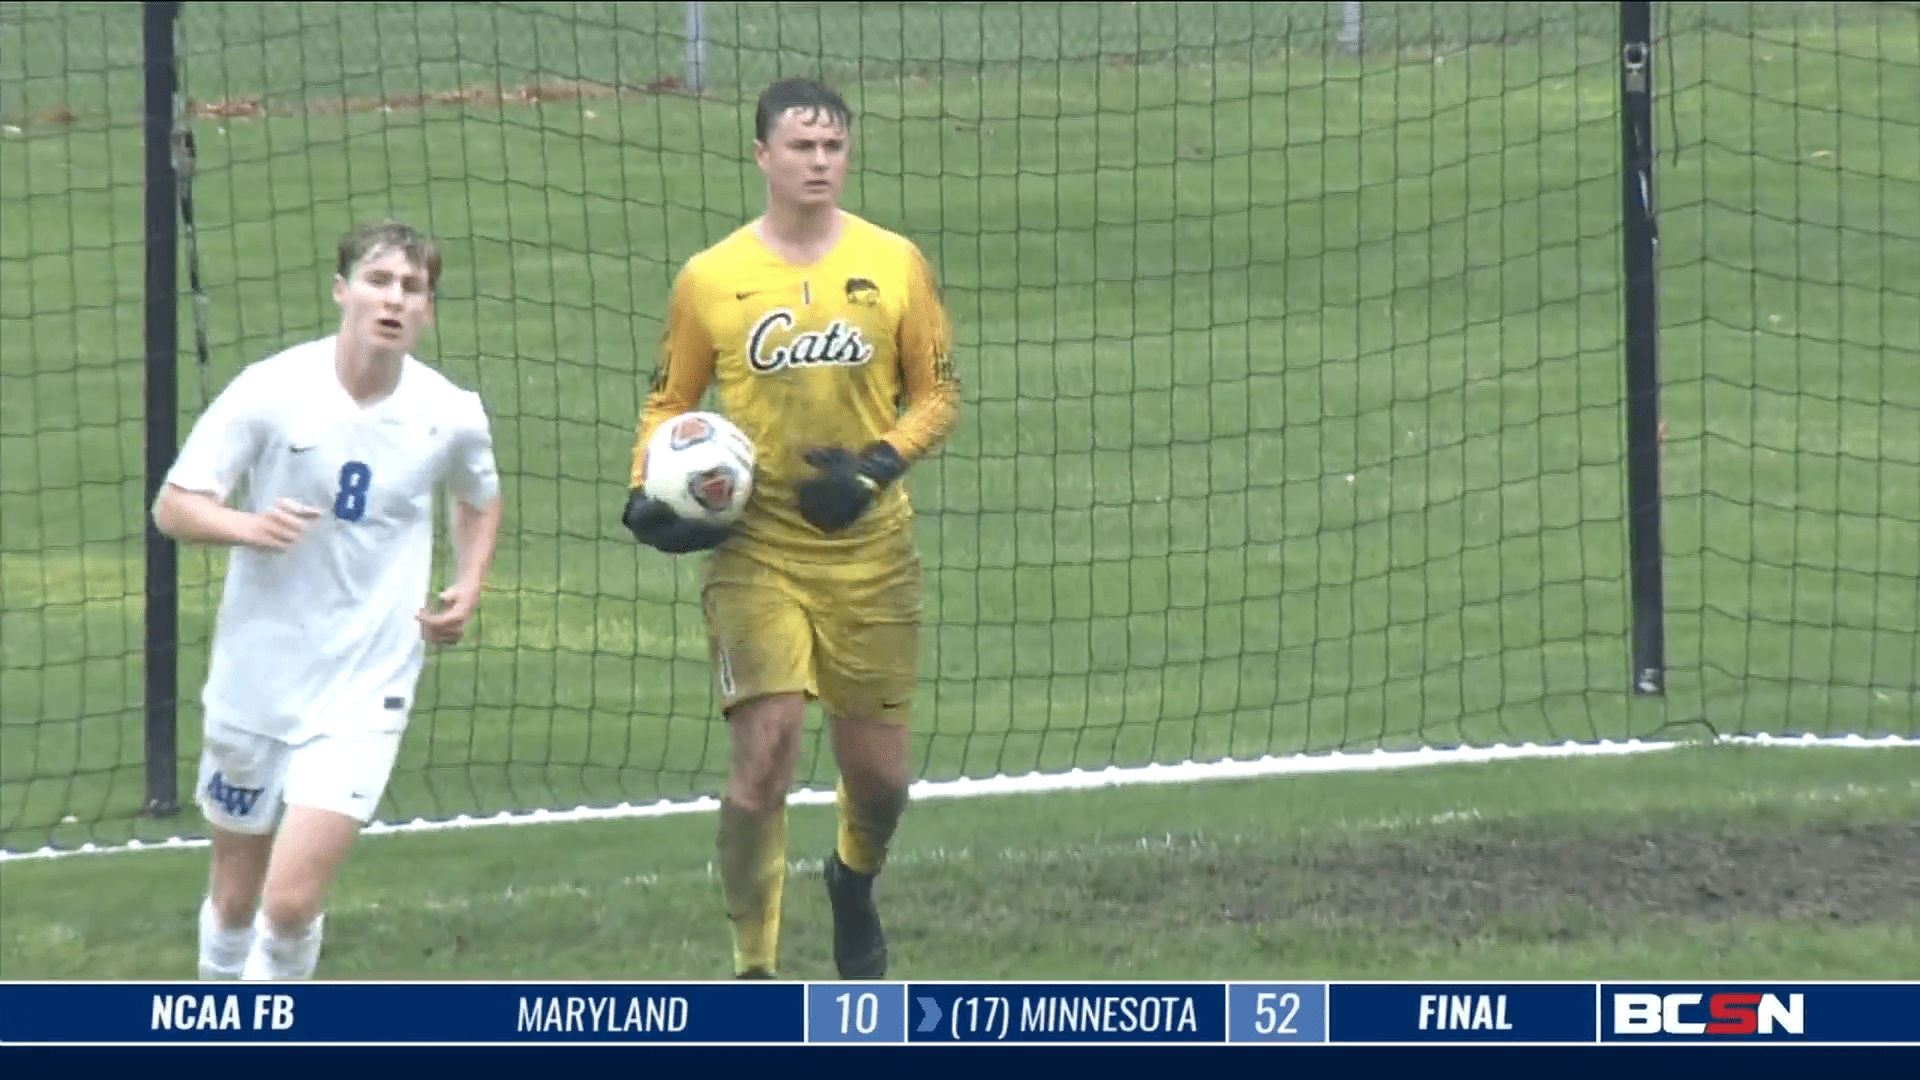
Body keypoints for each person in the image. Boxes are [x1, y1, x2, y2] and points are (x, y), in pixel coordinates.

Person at [621, 78, 962, 980]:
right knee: (764, 754)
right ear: (762, 156)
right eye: (802, 147)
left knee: (882, 782)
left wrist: (876, 467)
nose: (820, 162)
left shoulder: (896, 263)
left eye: (834, 146)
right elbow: (671, 400)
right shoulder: (712, 276)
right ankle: (753, 969)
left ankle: (852, 879)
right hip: (756, 549)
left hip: (873, 551)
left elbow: (937, 395)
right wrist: (642, 493)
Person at [152, 221, 503, 981]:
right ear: (342, 290)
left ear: (428, 311)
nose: (394, 299)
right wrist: (247, 524)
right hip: (256, 678)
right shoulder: (272, 390)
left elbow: (480, 498)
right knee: (237, 897)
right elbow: (175, 506)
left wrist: (469, 582)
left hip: (366, 684)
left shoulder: (449, 413)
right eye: (379, 281)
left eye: (412, 289)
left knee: (288, 902)